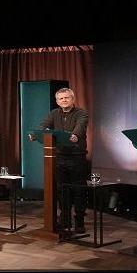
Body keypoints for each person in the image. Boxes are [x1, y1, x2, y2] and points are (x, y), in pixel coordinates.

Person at [28, 87, 89, 235]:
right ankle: (65, 219)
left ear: (72, 99)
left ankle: (79, 221)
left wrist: (75, 135)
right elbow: (44, 125)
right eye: (61, 99)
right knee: (62, 190)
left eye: (67, 98)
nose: (64, 100)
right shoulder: (54, 113)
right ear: (57, 101)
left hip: (77, 156)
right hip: (60, 157)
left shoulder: (81, 113)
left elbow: (80, 127)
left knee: (78, 190)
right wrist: (36, 135)